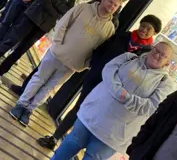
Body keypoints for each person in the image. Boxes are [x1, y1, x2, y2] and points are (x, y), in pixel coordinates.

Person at [37, 14, 162, 149]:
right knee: (79, 106)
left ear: (154, 33)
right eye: (142, 25)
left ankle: (72, 146)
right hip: (96, 77)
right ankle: (55, 137)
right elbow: (100, 50)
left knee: (96, 116)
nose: (143, 29)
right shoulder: (122, 37)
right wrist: (96, 66)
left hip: (113, 90)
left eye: (148, 28)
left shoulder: (147, 54)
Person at [9, 0, 122, 126]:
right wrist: (57, 45)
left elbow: (99, 51)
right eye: (110, 1)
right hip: (56, 53)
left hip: (73, 65)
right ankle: (21, 104)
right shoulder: (83, 8)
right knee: (39, 78)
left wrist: (84, 64)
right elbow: (63, 24)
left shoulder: (110, 28)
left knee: (49, 88)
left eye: (115, 5)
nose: (112, 6)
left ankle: (28, 110)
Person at [51, 42, 174, 160]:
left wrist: (127, 98)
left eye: (163, 55)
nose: (157, 55)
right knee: (66, 149)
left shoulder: (165, 83)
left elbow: (151, 107)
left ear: (168, 62)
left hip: (114, 136)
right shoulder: (128, 58)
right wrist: (118, 91)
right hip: (91, 117)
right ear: (152, 48)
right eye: (156, 50)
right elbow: (108, 71)